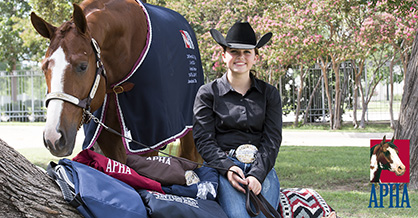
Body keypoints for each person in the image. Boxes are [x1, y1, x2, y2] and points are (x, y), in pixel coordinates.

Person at [193, 20, 282, 218]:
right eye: (234, 51)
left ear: (255, 57)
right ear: (224, 55)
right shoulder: (207, 93)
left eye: (247, 52)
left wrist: (258, 174)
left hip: (261, 164)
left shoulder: (270, 94)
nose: (240, 57)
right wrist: (228, 168)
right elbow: (203, 140)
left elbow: (272, 139)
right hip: (224, 164)